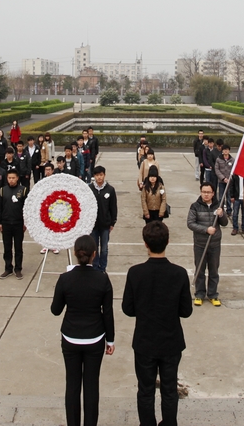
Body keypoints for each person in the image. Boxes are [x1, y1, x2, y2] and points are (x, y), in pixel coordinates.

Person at [122, 221, 192, 426]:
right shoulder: (179, 273)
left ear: (145, 244)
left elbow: (128, 309)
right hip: (171, 340)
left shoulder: (135, 273)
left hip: (145, 340)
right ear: (168, 242)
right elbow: (186, 311)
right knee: (169, 389)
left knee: (145, 389)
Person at [51, 234, 115, 426]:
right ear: (94, 254)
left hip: (71, 337)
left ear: (75, 253)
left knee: (72, 384)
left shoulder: (65, 279)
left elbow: (55, 310)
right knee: (91, 386)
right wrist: (110, 340)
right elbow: (108, 313)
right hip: (94, 338)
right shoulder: (102, 280)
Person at [186, 182, 228, 306]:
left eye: (208, 192)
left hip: (214, 244)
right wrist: (205, 230)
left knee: (214, 270)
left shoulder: (218, 205)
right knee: (199, 269)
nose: (206, 194)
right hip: (200, 243)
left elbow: (224, 223)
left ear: (213, 193)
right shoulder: (195, 206)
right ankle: (199, 294)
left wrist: (222, 214)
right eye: (204, 192)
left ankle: (212, 294)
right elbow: (190, 223)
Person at [0, 168, 28, 279]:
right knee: (7, 247)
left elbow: (27, 208)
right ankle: (8, 268)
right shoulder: (2, 190)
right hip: (6, 223)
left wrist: (25, 222)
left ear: (17, 178)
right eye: (9, 178)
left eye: (13, 178)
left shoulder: (23, 190)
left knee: (18, 248)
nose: (11, 180)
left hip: (18, 223)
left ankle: (18, 269)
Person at [90, 166, 118, 273]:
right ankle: (95, 267)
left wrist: (113, 222)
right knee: (94, 248)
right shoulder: (90, 189)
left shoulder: (110, 190)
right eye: (97, 175)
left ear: (104, 175)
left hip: (105, 225)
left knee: (104, 248)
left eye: (101, 175)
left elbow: (113, 207)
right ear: (94, 176)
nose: (99, 177)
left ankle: (102, 268)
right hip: (93, 225)